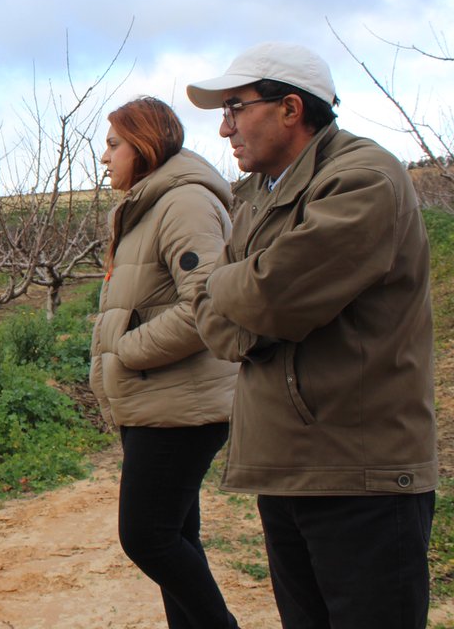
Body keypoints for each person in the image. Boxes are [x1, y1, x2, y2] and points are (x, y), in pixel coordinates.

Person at [188, 41, 437, 629]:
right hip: (287, 464)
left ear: (290, 108)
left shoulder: (364, 178)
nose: (224, 128)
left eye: (235, 108)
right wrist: (243, 299)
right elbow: (213, 318)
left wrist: (237, 293)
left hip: (360, 470)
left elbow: (271, 296)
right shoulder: (254, 196)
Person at [89, 97, 241, 629]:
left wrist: (126, 351)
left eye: (113, 145)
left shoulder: (185, 204)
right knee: (176, 537)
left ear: (145, 146)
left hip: (180, 405)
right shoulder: (148, 205)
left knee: (148, 538)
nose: (104, 157)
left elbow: (209, 305)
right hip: (158, 399)